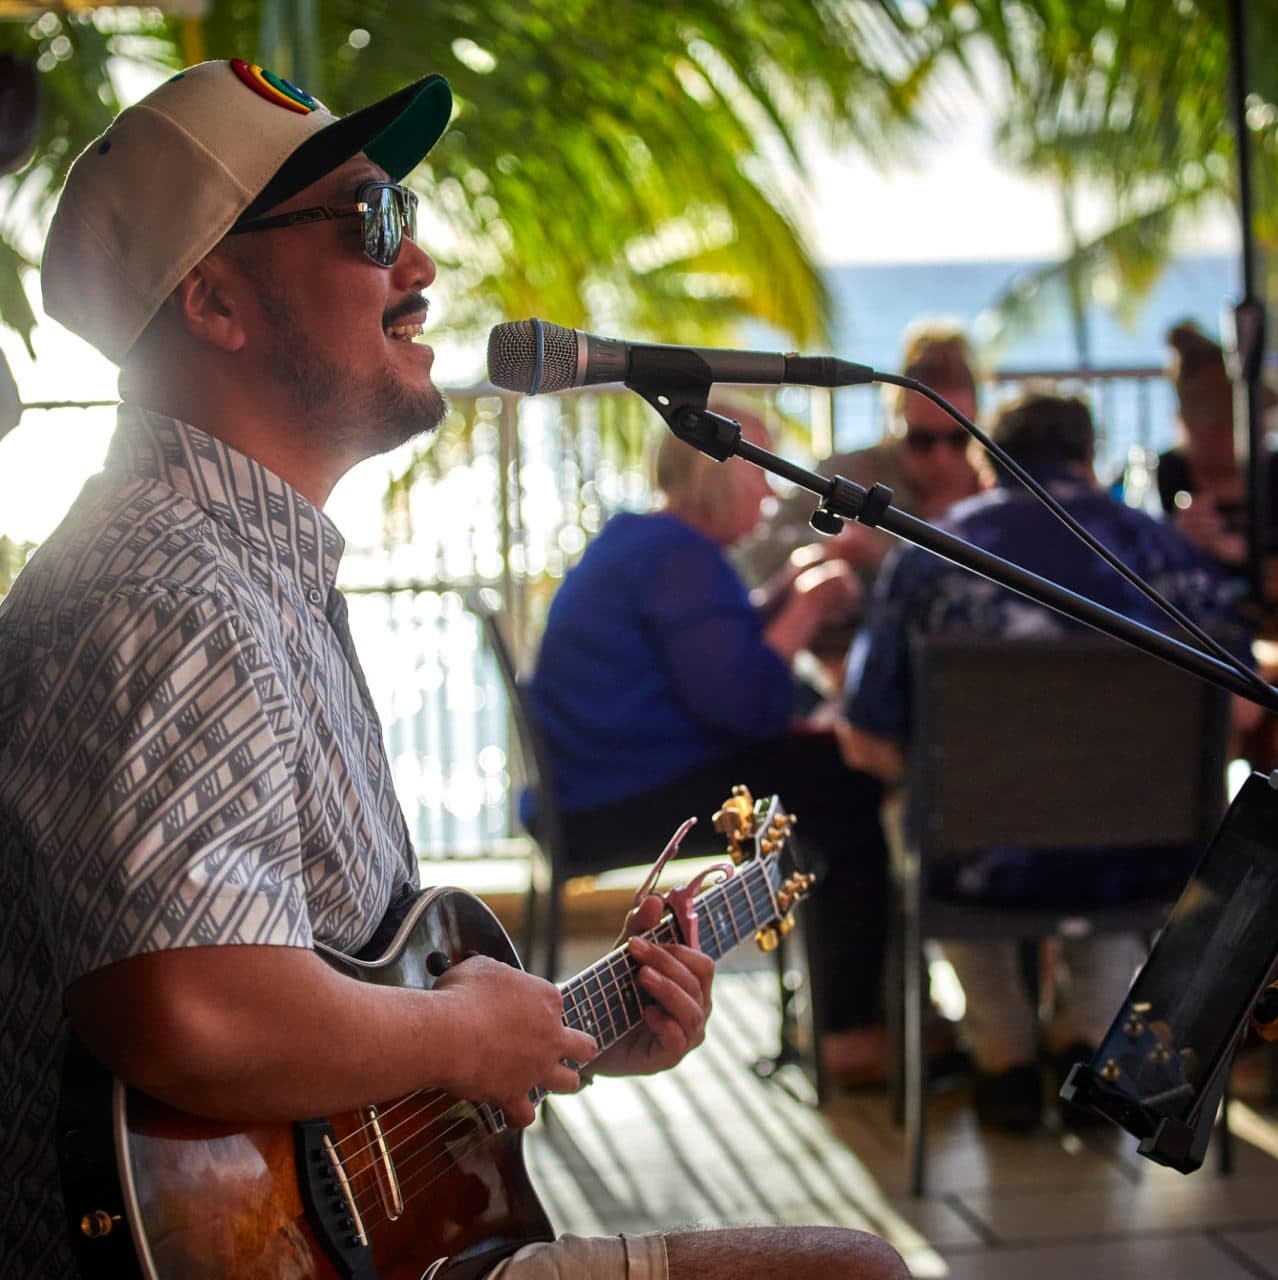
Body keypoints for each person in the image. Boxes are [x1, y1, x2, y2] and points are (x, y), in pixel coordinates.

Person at [0, 59, 910, 1280]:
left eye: (408, 217)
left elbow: (309, 1009)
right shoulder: (171, 583)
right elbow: (189, 1007)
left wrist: (541, 1034)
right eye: (373, 220)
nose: (419, 266)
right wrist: (453, 1023)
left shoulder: (246, 570)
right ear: (215, 300)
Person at [839, 390, 1252, 1132]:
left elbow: (869, 740)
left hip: (979, 863)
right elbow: (1245, 712)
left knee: (921, 803)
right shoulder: (1169, 555)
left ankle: (1001, 1048)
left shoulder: (930, 556)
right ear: (1089, 459)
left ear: (987, 461)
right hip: (1149, 861)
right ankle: (1088, 1036)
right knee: (1120, 810)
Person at [527, 405, 899, 1088]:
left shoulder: (651, 542)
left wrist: (790, 584)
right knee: (844, 790)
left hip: (593, 783)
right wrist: (811, 606)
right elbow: (745, 707)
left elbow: (715, 642)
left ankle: (842, 1016)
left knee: (825, 780)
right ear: (716, 476)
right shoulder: (676, 556)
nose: (773, 491)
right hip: (616, 799)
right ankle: (850, 1030)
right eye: (761, 473)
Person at [735, 321, 984, 600]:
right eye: (922, 440)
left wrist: (884, 552)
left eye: (958, 439)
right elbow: (757, 551)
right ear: (896, 422)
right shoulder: (848, 475)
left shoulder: (995, 487)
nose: (942, 458)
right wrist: (830, 544)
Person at [1156, 319, 1278, 593]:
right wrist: (1179, 539)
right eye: (1214, 426)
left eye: (1232, 425)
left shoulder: (1273, 470)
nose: (1226, 438)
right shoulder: (1166, 471)